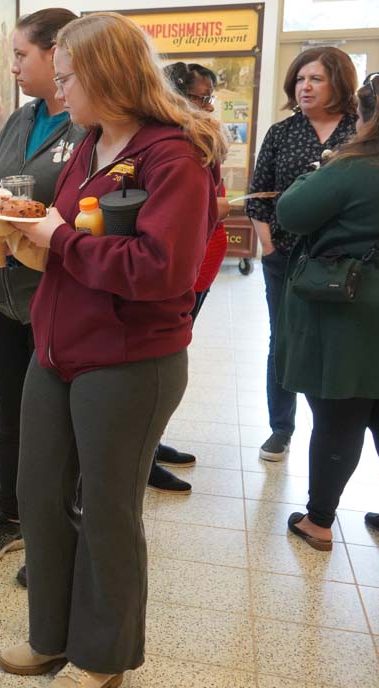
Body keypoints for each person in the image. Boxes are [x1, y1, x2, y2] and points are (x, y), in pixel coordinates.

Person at [0, 13, 221, 687]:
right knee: (38, 494)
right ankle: (51, 637)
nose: (58, 91)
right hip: (59, 348)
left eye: (66, 77)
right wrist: (27, 241)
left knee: (108, 512)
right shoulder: (86, 143)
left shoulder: (172, 156)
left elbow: (162, 269)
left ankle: (104, 656)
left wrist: (60, 240)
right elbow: (71, 239)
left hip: (128, 361)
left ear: (104, 74)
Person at [276, 71, 379, 552]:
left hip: (350, 313)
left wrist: (318, 168)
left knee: (339, 417)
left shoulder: (354, 166)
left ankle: (319, 522)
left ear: (369, 115)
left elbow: (291, 213)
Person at [0, 9, 84, 577]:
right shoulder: (22, 118)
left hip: (58, 295)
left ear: (56, 52)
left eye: (20, 55)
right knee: (11, 413)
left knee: (58, 418)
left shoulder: (89, 128)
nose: (12, 66)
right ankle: (11, 517)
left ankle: (56, 530)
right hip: (7, 293)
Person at [246, 47, 358, 461]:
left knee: (335, 340)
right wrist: (270, 249)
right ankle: (281, 427)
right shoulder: (282, 132)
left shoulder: (361, 132)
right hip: (286, 258)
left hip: (346, 262)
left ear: (340, 84)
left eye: (316, 79)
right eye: (299, 79)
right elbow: (258, 198)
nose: (304, 87)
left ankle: (333, 429)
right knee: (284, 339)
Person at [142, 62, 233, 494]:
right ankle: (143, 455)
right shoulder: (168, 146)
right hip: (181, 268)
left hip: (204, 262)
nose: (209, 106)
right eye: (202, 98)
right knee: (156, 366)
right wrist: (218, 207)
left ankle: (152, 444)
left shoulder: (197, 138)